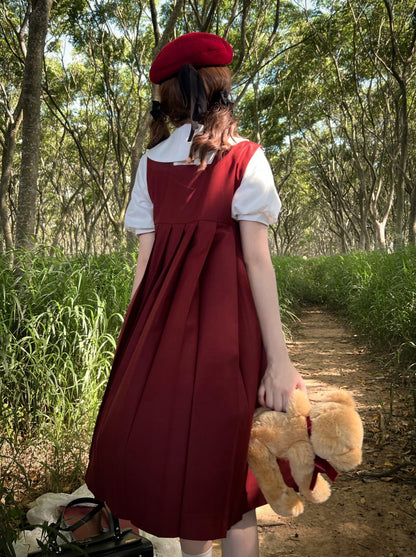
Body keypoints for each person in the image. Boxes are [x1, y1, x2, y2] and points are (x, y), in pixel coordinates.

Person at [85, 32, 306, 557]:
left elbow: (144, 268)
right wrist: (279, 361)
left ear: (168, 96)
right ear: (218, 87)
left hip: (163, 338)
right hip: (228, 339)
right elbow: (257, 260)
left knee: (188, 477)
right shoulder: (245, 157)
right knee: (232, 485)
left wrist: (133, 348)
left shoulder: (149, 165)